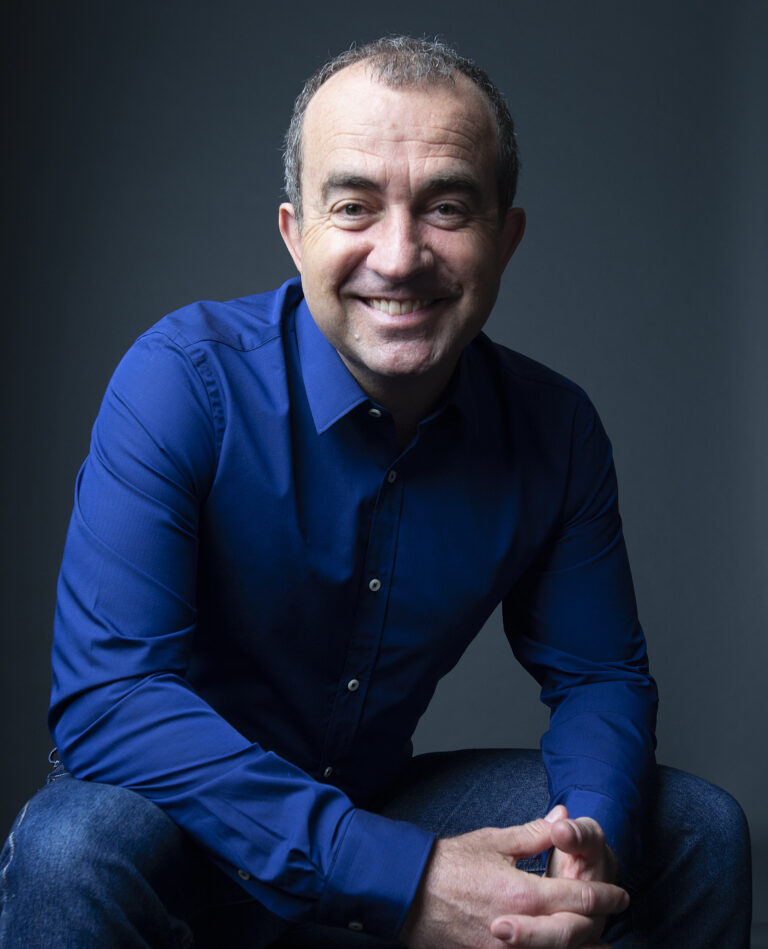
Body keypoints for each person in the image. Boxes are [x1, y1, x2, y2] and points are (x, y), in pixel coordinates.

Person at [0, 36, 752, 949]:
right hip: (176, 827)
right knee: (70, 846)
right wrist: (404, 874)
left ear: (506, 237)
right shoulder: (181, 381)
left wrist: (587, 840)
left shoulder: (555, 430)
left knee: (697, 831)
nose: (399, 257)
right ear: (295, 233)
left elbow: (599, 677)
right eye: (354, 206)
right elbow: (111, 701)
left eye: (447, 208)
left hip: (374, 798)